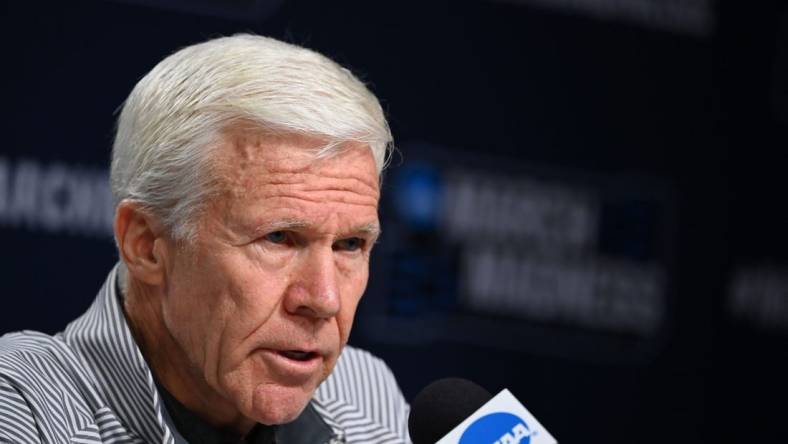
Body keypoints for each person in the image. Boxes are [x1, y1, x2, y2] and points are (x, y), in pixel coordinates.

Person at [0, 34, 410, 444]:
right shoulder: (23, 408)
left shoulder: (366, 392)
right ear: (146, 244)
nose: (324, 299)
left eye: (350, 245)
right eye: (279, 238)